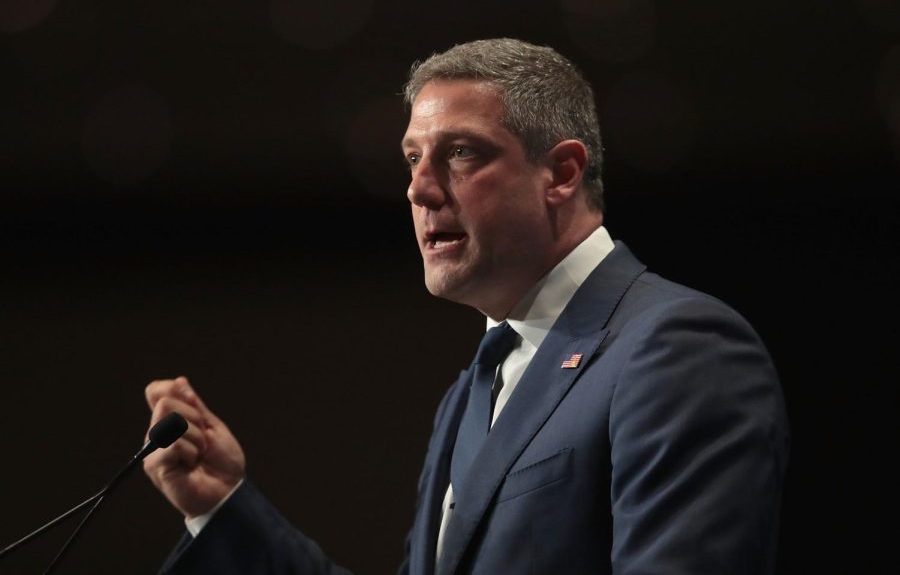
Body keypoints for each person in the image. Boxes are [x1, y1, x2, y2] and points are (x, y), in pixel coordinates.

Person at [143, 38, 789, 574]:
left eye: (460, 153)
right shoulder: (473, 390)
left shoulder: (674, 348)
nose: (419, 190)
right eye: (412, 158)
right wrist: (223, 506)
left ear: (561, 174)